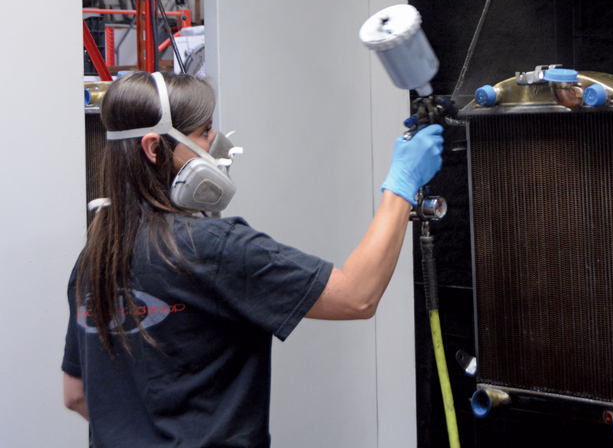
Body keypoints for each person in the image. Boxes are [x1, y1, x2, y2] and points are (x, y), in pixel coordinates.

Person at [62, 71, 444, 447]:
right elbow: (358, 295)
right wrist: (402, 182)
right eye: (203, 132)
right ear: (153, 147)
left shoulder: (94, 257)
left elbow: (76, 394)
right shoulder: (212, 248)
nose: (215, 144)